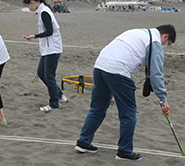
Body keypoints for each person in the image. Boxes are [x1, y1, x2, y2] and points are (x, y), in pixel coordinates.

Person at [74, 25, 176, 161]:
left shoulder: (138, 32)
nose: (164, 47)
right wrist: (163, 99)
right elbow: (156, 74)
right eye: (167, 44)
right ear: (165, 36)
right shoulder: (155, 42)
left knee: (97, 108)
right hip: (118, 71)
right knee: (128, 114)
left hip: (100, 66)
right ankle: (125, 151)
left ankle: (83, 142)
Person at [22, 0, 68, 112]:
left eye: (28, 5)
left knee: (49, 77)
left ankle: (54, 103)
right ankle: (59, 95)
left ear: (32, 2)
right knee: (41, 73)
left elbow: (49, 31)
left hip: (52, 49)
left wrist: (34, 36)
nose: (29, 8)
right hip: (47, 49)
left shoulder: (44, 12)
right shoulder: (43, 10)